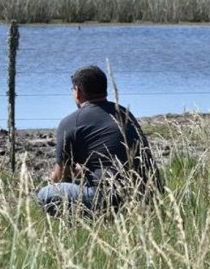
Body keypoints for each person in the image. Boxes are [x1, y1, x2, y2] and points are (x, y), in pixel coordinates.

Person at [37, 65, 163, 216]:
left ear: (77, 92)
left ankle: (86, 224)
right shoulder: (124, 112)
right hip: (148, 194)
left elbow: (60, 177)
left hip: (111, 198)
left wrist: (54, 178)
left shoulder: (71, 122)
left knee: (45, 194)